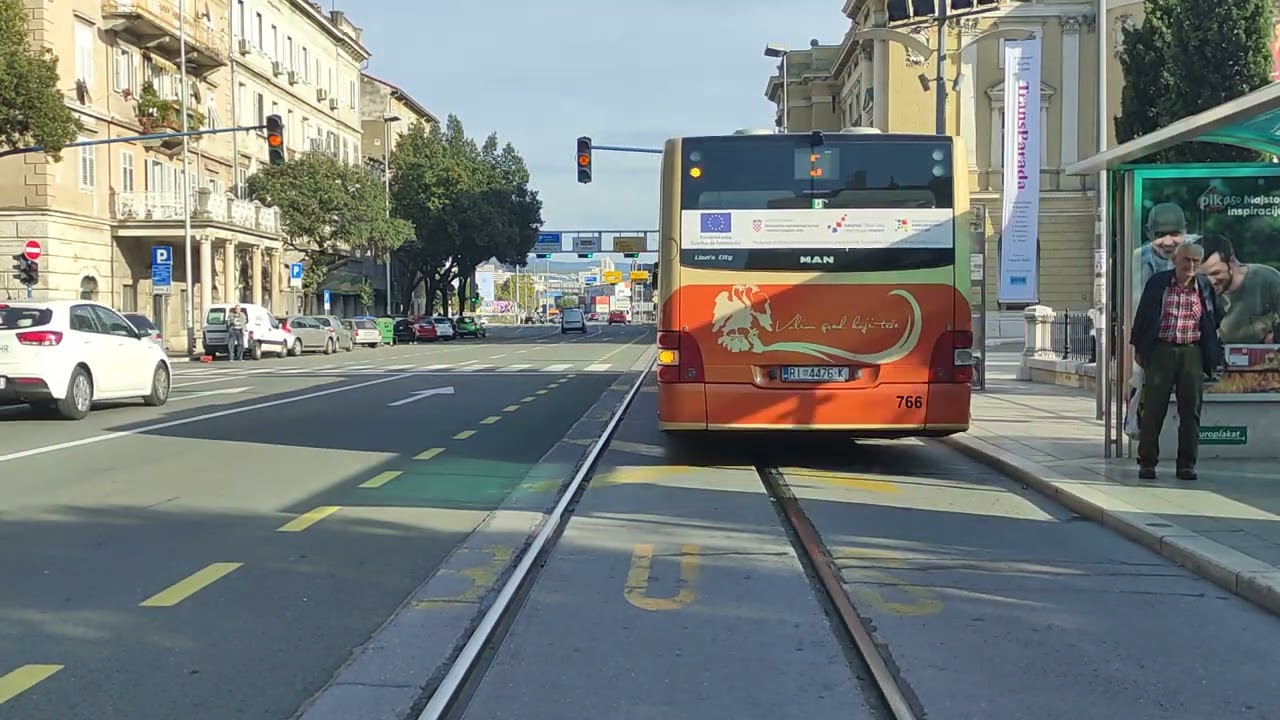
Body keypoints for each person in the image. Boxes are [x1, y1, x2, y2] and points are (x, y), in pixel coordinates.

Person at [1129, 243, 1223, 480]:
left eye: (1195, 261)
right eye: (1186, 260)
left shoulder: (1204, 286)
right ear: (1175, 260)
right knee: (1153, 408)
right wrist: (1138, 349)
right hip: (1161, 350)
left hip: (1192, 351)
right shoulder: (1159, 283)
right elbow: (1143, 317)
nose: (1190, 265)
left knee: (1190, 411)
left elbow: (1215, 317)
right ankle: (1147, 462)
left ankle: (1186, 464)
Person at [1197, 233, 1280, 344]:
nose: (1210, 281)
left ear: (1231, 262)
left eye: (1216, 273)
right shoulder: (1194, 289)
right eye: (1202, 276)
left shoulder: (1268, 279)